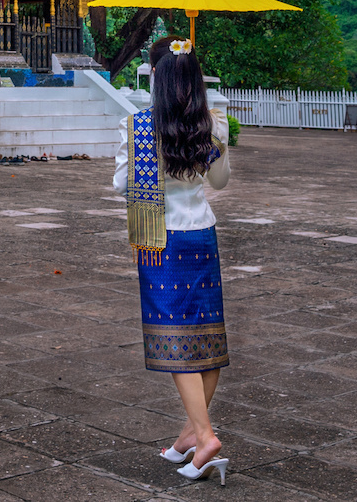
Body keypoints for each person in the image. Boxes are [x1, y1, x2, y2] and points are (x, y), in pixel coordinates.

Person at [115, 45, 231, 484]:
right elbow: (219, 182)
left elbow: (121, 184)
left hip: (160, 239)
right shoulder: (210, 126)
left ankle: (205, 437)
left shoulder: (139, 127)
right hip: (201, 231)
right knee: (206, 331)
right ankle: (188, 434)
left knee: (176, 340)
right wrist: (214, 135)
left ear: (157, 80)